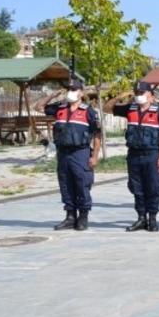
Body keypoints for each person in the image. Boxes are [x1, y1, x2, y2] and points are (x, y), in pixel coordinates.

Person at [105, 81, 159, 232]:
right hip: (134, 154)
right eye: (137, 93)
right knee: (137, 187)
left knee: (153, 187)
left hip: (152, 154)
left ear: (151, 96)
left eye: (142, 93)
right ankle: (141, 218)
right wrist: (121, 96)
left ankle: (152, 219)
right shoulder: (130, 109)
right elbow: (107, 108)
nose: (139, 96)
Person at [45, 78, 102, 231]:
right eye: (68, 90)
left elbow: (97, 134)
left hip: (80, 153)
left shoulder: (88, 111)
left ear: (80, 93)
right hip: (63, 153)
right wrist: (52, 95)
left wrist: (95, 156)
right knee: (65, 184)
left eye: (73, 90)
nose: (70, 93)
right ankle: (70, 216)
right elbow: (38, 107)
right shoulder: (60, 108)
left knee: (82, 184)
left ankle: (83, 216)